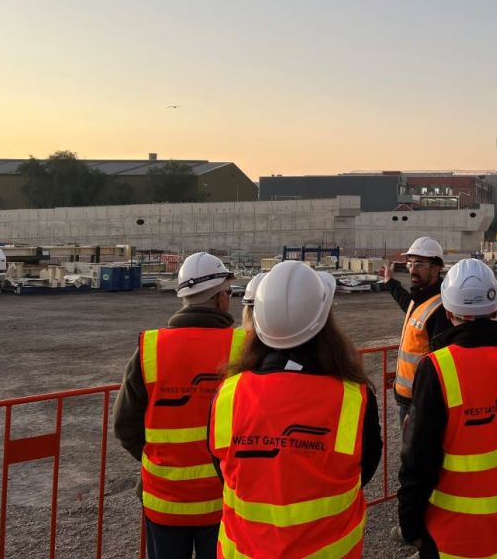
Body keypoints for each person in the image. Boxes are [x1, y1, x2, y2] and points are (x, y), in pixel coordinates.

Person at [208, 260, 382, 558]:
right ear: (325, 323)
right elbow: (363, 469)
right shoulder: (353, 398)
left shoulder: (229, 394)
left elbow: (223, 470)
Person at [398, 259, 497, 559]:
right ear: (495, 309)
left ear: (448, 312)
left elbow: (418, 460)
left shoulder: (437, 369)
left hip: (453, 540)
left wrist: (410, 526)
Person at [113, 252, 250, 559]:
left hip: (164, 500)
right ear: (219, 300)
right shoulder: (241, 348)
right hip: (222, 498)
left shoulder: (150, 349)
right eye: (228, 292)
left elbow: (124, 425)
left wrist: (160, 459)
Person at [379, 237, 453, 421]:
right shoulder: (420, 300)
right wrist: (390, 282)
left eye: (419, 264)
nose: (412, 269)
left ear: (436, 269)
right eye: (410, 263)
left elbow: (442, 365)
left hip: (421, 403)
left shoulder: (440, 308)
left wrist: (425, 405)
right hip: (408, 398)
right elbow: (406, 303)